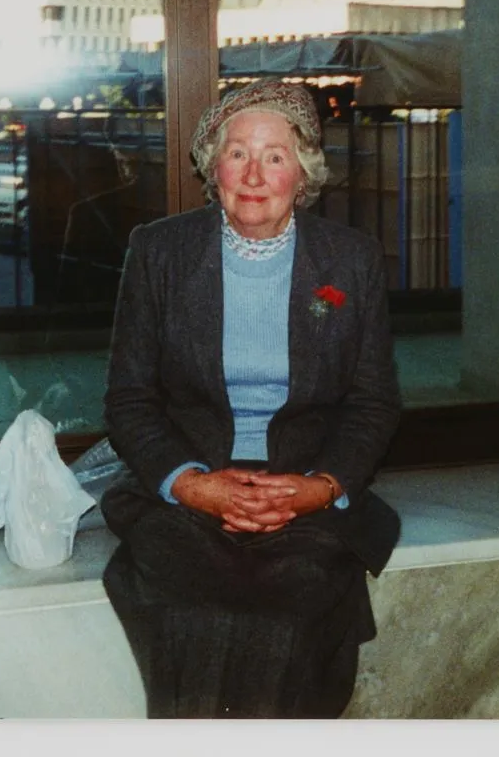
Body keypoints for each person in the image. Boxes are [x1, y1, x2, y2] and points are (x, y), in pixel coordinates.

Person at [100, 78, 402, 719]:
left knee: (288, 617)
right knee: (190, 613)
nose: (255, 173)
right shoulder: (160, 252)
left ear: (304, 172)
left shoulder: (351, 260)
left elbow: (373, 403)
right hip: (191, 488)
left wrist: (318, 488)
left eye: (275, 155)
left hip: (302, 491)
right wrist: (192, 485)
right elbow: (130, 399)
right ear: (214, 167)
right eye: (238, 152)